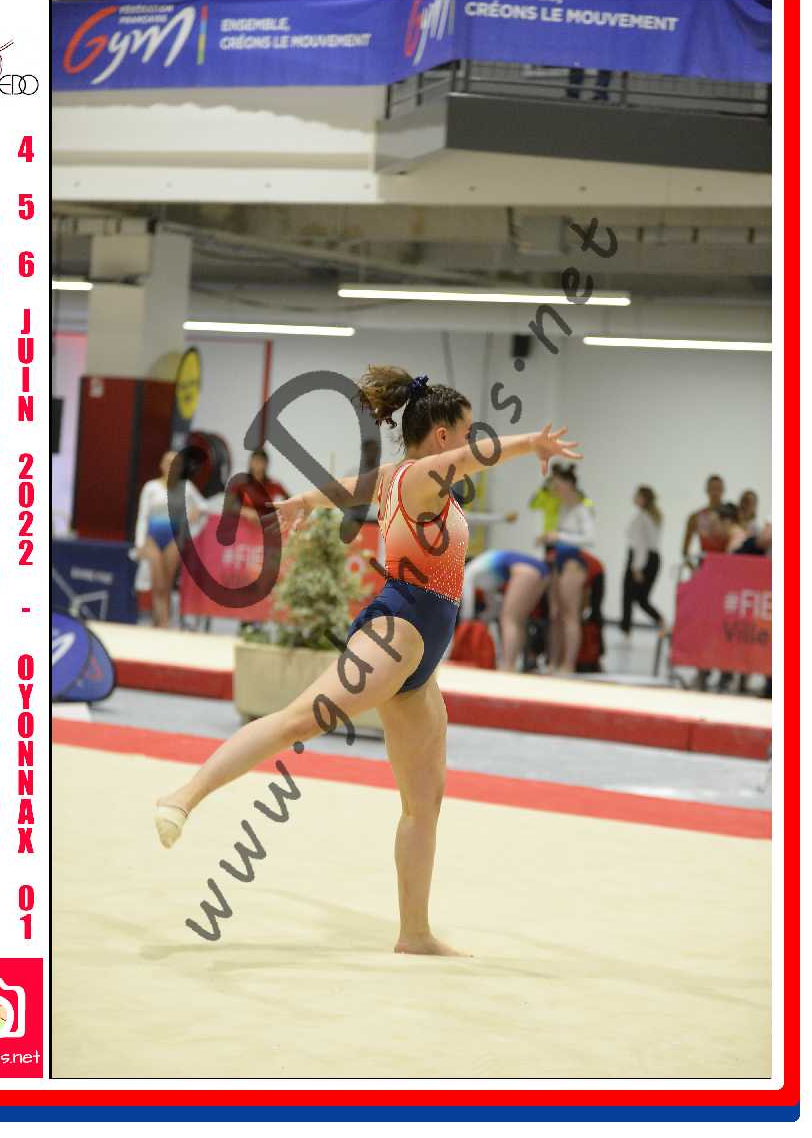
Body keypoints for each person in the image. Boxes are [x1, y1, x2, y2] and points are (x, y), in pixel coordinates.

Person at [154, 366, 580, 957]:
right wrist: (532, 442)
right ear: (442, 437)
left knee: (424, 803)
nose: (466, 440)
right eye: (463, 430)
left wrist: (304, 500)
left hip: (421, 653)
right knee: (299, 720)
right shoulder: (424, 476)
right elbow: (475, 457)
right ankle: (184, 795)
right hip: (397, 629)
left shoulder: (397, 476)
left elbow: (350, 487)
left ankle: (414, 933)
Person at [134, 451, 207, 628]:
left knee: (166, 583)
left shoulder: (186, 487)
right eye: (168, 462)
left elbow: (204, 506)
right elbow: (143, 516)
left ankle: (160, 622)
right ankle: (162, 621)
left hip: (173, 539)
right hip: (152, 538)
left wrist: (194, 514)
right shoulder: (151, 487)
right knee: (157, 582)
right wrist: (139, 544)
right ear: (161, 465)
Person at [539, 464, 596, 674]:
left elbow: (590, 538)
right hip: (557, 559)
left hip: (573, 562)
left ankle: (568, 664)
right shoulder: (562, 508)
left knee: (570, 614)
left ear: (569, 485)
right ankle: (553, 662)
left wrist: (559, 536)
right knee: (555, 613)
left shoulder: (582, 509)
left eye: (558, 485)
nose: (555, 490)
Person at [459, 549, 550, 671]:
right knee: (518, 621)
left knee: (509, 620)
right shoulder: (484, 573)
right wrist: (483, 619)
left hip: (525, 569)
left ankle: (507, 665)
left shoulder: (468, 572)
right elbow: (494, 604)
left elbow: (467, 602)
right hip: (541, 571)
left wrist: (466, 621)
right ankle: (514, 664)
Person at [621, 485, 665, 636]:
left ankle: (626, 629)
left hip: (641, 559)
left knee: (631, 596)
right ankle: (660, 621)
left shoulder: (642, 518)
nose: (634, 497)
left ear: (644, 499)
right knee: (641, 598)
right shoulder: (653, 517)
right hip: (652, 559)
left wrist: (637, 567)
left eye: (637, 495)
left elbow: (641, 544)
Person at [224, 447, 289, 526]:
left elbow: (290, 502)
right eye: (254, 460)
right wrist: (245, 511)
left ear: (266, 464)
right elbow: (228, 506)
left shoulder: (274, 485)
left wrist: (278, 512)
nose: (257, 463)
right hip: (243, 525)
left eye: (260, 460)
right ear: (250, 462)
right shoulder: (240, 483)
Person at [682, 475, 727, 566]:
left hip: (727, 563)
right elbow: (685, 551)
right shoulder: (695, 517)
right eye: (713, 488)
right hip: (705, 564)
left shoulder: (732, 516)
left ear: (723, 490)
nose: (715, 492)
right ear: (707, 490)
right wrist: (694, 569)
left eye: (718, 489)